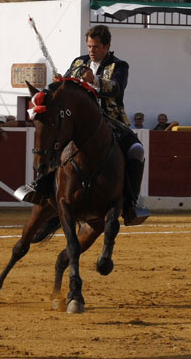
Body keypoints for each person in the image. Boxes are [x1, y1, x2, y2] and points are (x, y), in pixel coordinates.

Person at [16, 24, 149, 226]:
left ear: (106, 46)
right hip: (80, 121)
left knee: (137, 151)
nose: (91, 51)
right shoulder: (79, 62)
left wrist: (94, 80)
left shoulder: (120, 66)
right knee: (56, 139)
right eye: (89, 46)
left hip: (110, 120)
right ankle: (40, 185)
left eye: (95, 47)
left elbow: (117, 88)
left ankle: (130, 202)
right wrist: (59, 83)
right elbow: (66, 86)